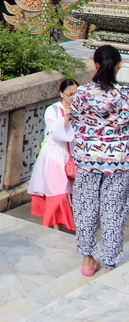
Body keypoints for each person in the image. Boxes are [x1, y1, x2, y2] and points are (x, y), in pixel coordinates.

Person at [70, 44, 129, 275]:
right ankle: (110, 262)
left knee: (86, 207)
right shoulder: (125, 95)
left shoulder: (81, 93)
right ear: (119, 65)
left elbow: (75, 121)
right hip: (119, 162)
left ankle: (87, 260)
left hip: (87, 160)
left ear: (94, 64)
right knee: (114, 210)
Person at [28, 78, 78, 231]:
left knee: (68, 190)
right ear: (62, 94)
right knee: (59, 191)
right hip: (54, 154)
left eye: (77, 94)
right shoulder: (53, 110)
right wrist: (67, 117)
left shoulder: (80, 109)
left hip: (70, 153)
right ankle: (55, 225)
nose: (74, 98)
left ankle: (59, 224)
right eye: (71, 94)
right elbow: (55, 133)